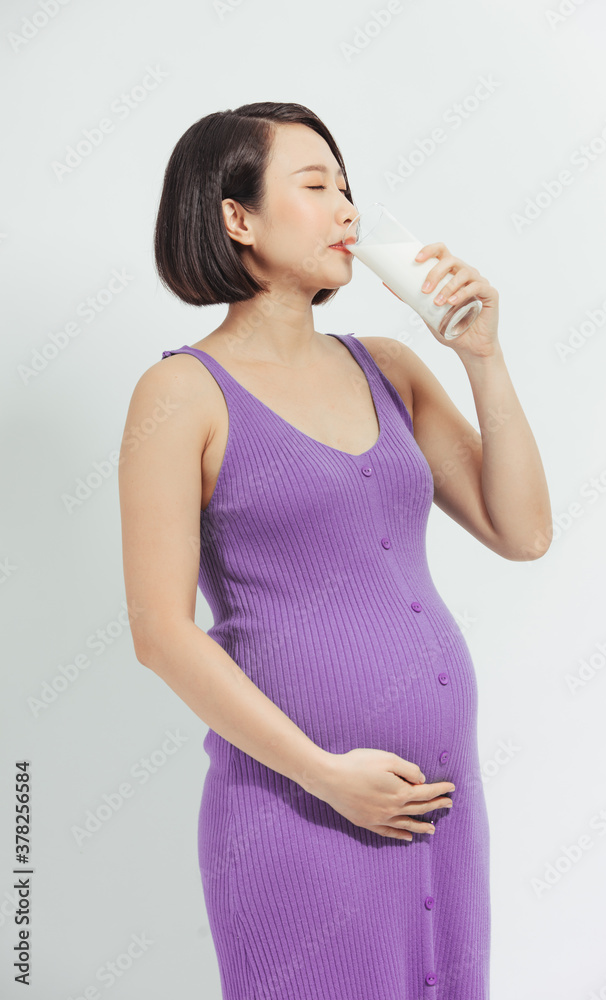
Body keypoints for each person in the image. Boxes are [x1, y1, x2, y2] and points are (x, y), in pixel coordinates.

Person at [118, 102, 551, 1000]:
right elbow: (161, 632)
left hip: (439, 809)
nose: (348, 209)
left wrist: (482, 357)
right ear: (237, 217)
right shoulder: (179, 393)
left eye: (347, 187)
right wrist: (325, 775)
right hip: (293, 809)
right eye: (315, 186)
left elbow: (522, 531)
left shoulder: (388, 365)